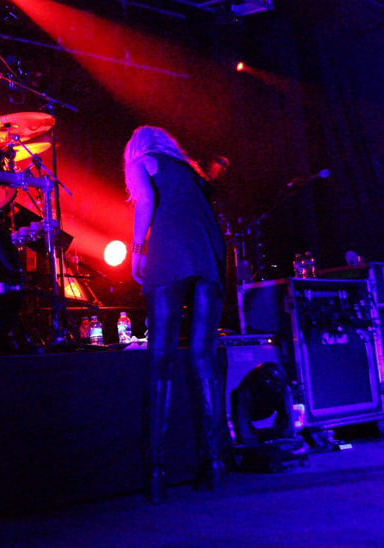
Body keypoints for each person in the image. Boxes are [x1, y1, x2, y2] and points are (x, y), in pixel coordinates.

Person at [124, 126, 227, 503]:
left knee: (160, 359)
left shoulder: (141, 161)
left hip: (170, 252)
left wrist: (137, 249)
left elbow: (146, 201)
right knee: (204, 358)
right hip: (210, 257)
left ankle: (155, 473)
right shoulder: (190, 170)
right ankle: (214, 465)